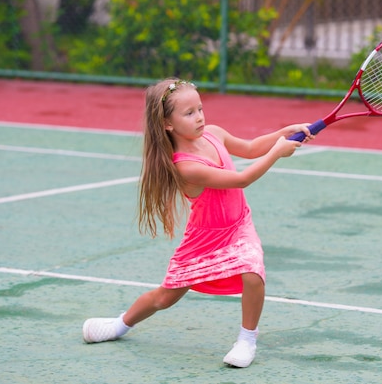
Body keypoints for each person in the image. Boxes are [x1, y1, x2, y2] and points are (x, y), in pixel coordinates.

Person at [82, 78, 313, 368]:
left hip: (238, 225)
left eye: (200, 108)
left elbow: (252, 147)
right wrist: (277, 152)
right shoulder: (185, 166)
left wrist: (282, 133)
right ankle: (120, 324)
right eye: (189, 113)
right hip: (204, 239)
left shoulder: (214, 134)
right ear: (168, 123)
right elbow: (242, 179)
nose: (200, 117)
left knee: (253, 272)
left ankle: (247, 339)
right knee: (165, 298)